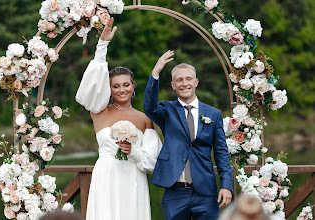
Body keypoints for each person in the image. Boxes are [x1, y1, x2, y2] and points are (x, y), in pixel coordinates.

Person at [75, 18, 162, 220]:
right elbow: (91, 85)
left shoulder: (144, 119)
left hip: (133, 179)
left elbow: (151, 162)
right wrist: (102, 45)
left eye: (126, 85)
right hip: (106, 176)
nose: (121, 89)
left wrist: (133, 152)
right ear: (109, 89)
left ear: (133, 87)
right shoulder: (98, 111)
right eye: (116, 86)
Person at [143, 51, 233, 219]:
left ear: (196, 82)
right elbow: (149, 108)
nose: (184, 83)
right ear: (173, 85)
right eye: (179, 80)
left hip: (206, 192)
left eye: (188, 79)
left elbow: (221, 152)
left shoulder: (213, 114)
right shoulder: (166, 110)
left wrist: (227, 185)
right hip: (175, 192)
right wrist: (155, 73)